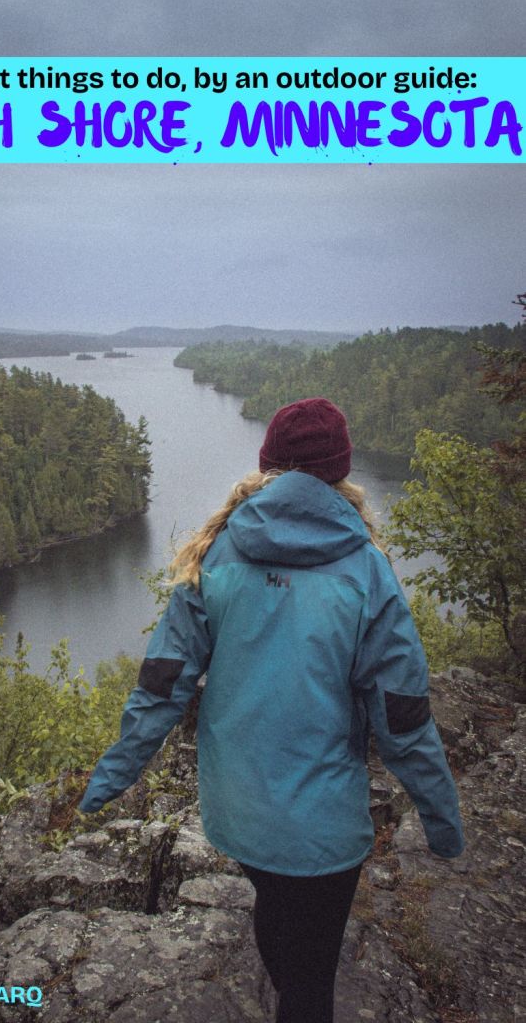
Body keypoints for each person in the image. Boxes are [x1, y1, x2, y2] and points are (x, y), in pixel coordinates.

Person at [79, 397, 464, 1023]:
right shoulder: (366, 569)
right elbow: (402, 715)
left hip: (240, 808)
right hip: (322, 820)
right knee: (311, 984)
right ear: (341, 469)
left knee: (279, 916)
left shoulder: (218, 552)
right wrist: (441, 819)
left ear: (269, 464)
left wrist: (114, 774)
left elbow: (163, 682)